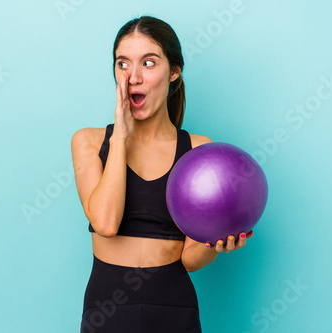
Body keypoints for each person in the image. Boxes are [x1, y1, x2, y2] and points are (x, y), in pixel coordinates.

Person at [71, 16, 253, 333]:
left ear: (174, 72)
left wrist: (217, 243)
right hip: (106, 309)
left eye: (149, 63)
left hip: (174, 307)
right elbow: (105, 223)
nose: (134, 77)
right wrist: (121, 137)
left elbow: (189, 260)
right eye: (123, 64)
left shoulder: (199, 151)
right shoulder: (88, 142)